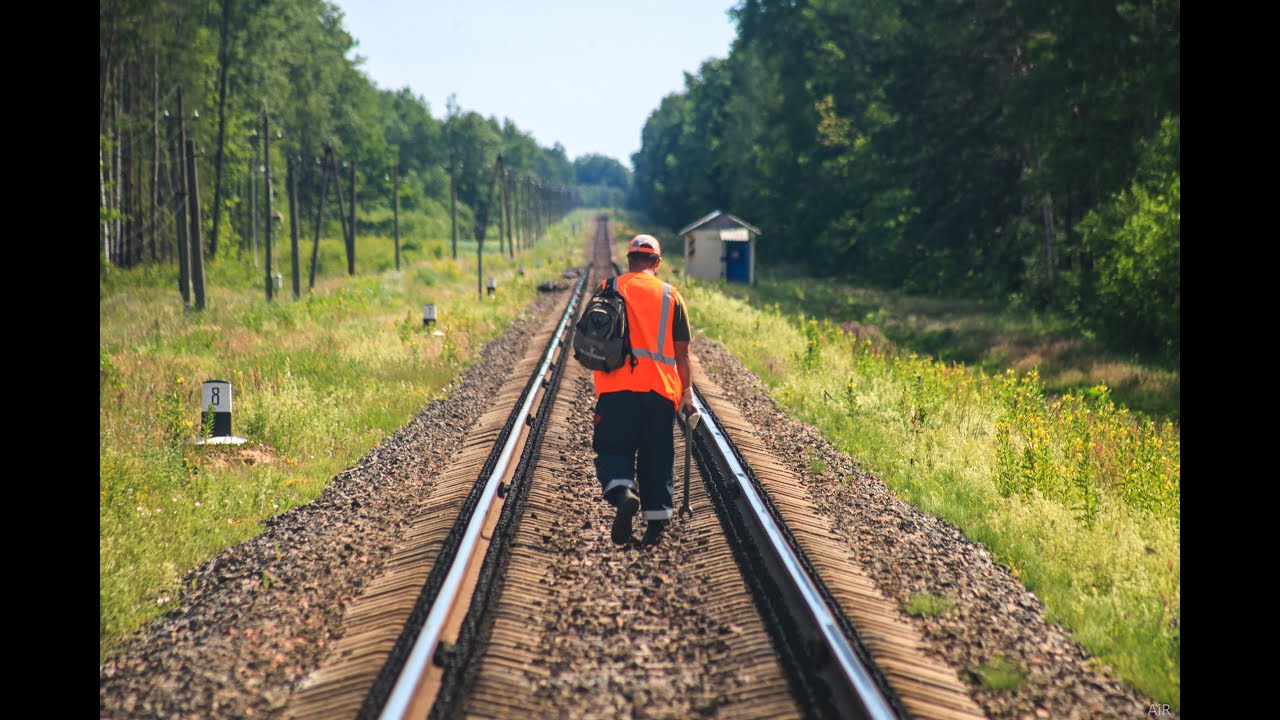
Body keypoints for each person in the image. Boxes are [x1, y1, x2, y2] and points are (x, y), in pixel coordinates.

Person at [591, 234, 695, 546]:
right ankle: (655, 527)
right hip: (659, 392)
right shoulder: (670, 295)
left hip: (614, 390)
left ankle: (624, 493)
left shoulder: (607, 288)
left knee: (613, 450)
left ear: (630, 258)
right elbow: (682, 354)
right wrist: (687, 393)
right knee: (657, 457)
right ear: (657, 263)